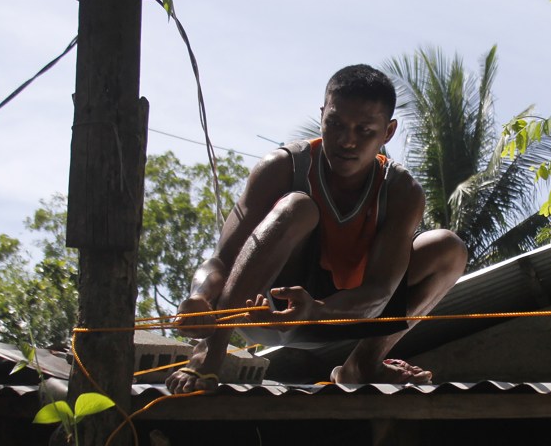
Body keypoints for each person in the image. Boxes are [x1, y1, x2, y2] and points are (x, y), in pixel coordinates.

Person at [167, 64, 467, 393]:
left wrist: (318, 309)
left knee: (448, 248)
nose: (346, 140)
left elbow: (382, 291)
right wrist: (199, 295)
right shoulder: (282, 167)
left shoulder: (401, 192)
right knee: (299, 206)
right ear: (323, 114)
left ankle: (362, 364)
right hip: (266, 312)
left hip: (341, 318)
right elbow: (221, 261)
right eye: (335, 124)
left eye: (364, 130)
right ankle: (211, 353)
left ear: (388, 132)